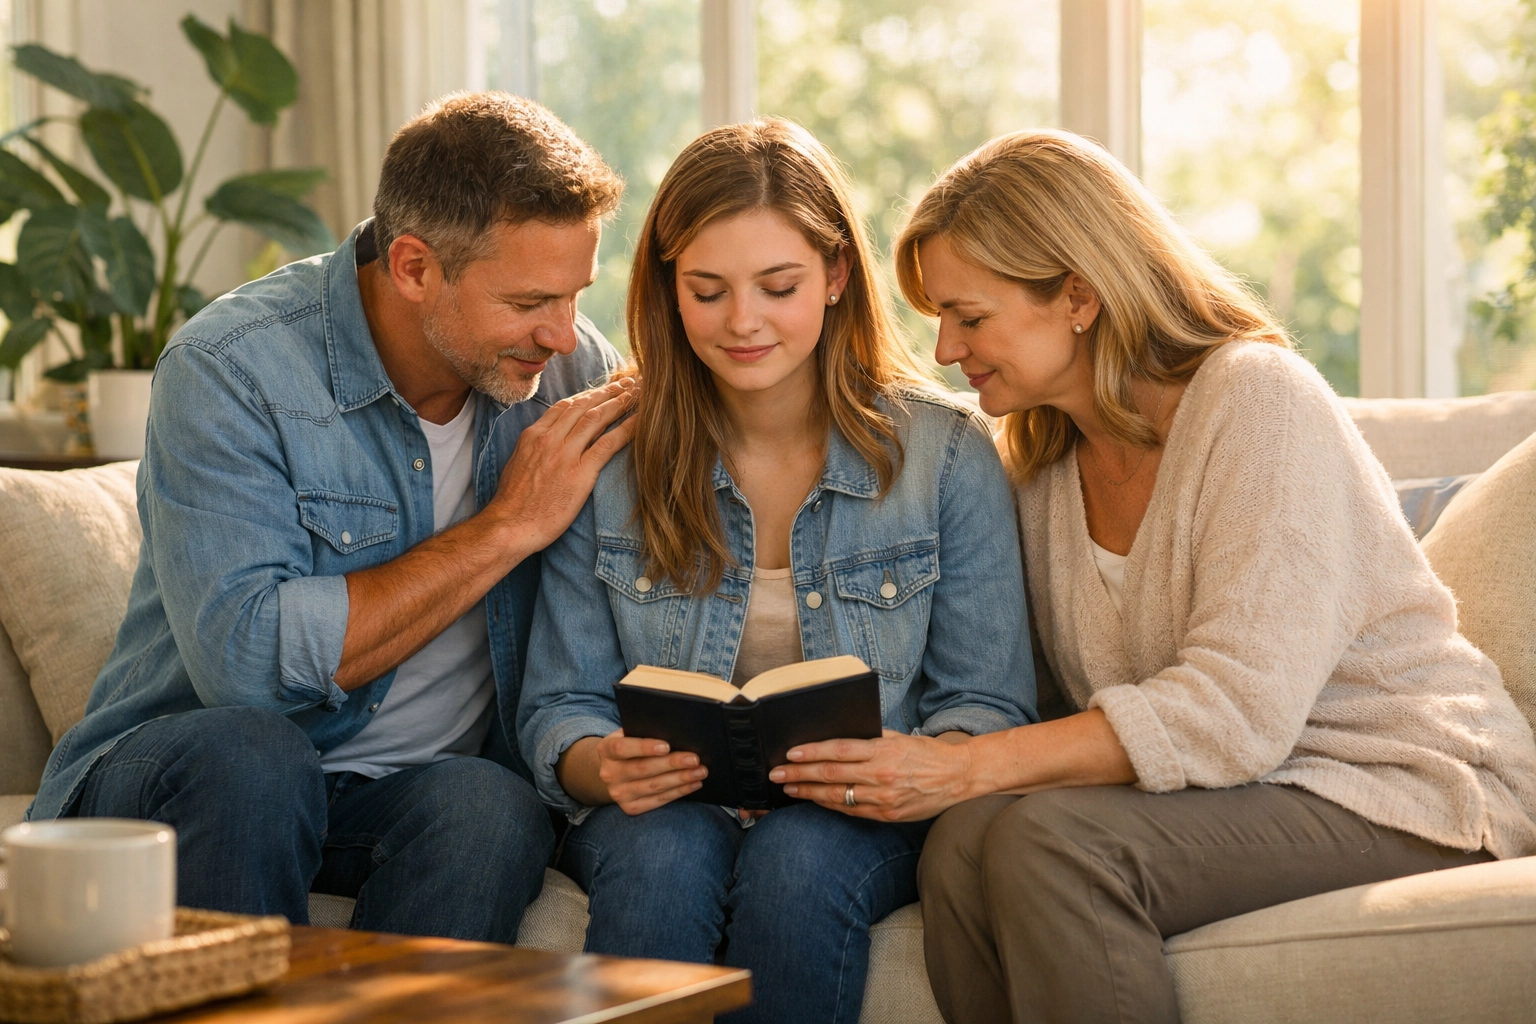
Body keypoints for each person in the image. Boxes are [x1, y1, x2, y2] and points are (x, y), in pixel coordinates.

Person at [768, 129, 1536, 1024]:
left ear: (1080, 296)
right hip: (1250, 791)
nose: (944, 351)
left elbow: (1234, 713)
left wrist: (963, 767)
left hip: (1409, 786)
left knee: (1052, 845)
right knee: (964, 843)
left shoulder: (1258, 400)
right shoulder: (1041, 466)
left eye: (970, 317)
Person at [27, 93, 637, 943]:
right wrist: (506, 526)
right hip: (191, 776)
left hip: (401, 795)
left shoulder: (565, 373)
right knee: (253, 758)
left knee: (487, 802)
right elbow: (251, 672)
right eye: (530, 301)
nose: (565, 335)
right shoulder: (232, 370)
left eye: (576, 295)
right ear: (416, 267)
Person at [517, 118, 1035, 1024]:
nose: (743, 321)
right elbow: (559, 707)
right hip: (665, 813)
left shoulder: (945, 457)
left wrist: (907, 765)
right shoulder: (611, 460)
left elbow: (986, 705)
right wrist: (607, 766)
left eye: (778, 286)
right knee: (659, 855)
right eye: (707, 290)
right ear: (668, 290)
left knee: (797, 862)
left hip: (860, 811)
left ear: (836, 276)